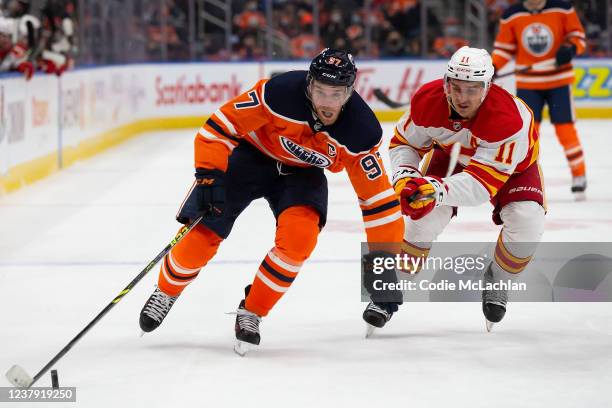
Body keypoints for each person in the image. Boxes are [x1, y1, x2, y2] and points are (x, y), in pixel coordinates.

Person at [139, 48, 404, 354]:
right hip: (250, 157)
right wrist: (209, 176)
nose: (326, 103)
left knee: (299, 241)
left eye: (336, 94)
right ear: (309, 85)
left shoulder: (360, 132)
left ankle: (251, 312)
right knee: (202, 234)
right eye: (320, 91)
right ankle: (166, 291)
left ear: (350, 92)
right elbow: (218, 128)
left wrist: (384, 265)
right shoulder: (277, 93)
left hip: (301, 174)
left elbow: (379, 204)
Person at [362, 46, 545, 332]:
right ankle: (389, 290)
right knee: (421, 221)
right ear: (446, 83)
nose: (462, 98)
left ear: (487, 87)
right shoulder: (428, 100)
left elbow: (481, 184)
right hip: (453, 156)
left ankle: (498, 280)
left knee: (527, 218)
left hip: (511, 169)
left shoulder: (509, 120)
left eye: (472, 90)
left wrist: (434, 189)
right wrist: (406, 178)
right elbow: (404, 143)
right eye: (456, 87)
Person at [492, 0, 587, 200]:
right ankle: (527, 178)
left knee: (565, 129)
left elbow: (578, 37)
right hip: (528, 84)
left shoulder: (562, 9)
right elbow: (504, 48)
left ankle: (579, 175)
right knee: (528, 134)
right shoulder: (512, 15)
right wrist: (493, 67)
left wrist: (570, 48)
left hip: (559, 80)